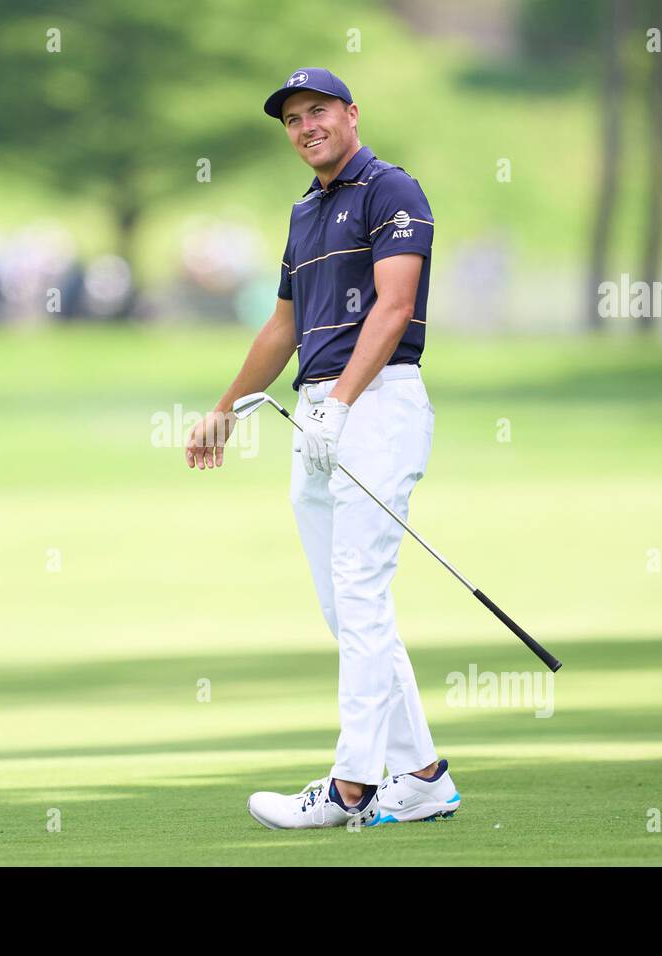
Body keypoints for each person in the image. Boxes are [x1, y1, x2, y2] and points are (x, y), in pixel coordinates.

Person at [184, 68, 459, 829]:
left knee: (362, 596)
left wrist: (339, 405)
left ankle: (351, 788)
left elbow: (395, 307)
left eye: (317, 112)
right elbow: (282, 325)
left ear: (350, 114)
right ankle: (425, 776)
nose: (305, 127)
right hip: (317, 416)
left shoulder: (390, 191)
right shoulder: (306, 210)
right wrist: (225, 410)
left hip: (374, 406)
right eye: (292, 119)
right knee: (348, 610)